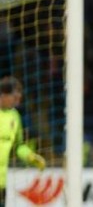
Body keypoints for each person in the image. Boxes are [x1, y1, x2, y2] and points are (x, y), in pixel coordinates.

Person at [0, 76, 46, 205]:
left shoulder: (14, 117)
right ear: (3, 95)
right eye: (15, 98)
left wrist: (30, 156)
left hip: (1, 183)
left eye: (19, 98)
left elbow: (18, 145)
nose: (18, 102)